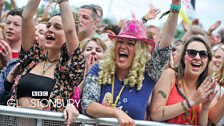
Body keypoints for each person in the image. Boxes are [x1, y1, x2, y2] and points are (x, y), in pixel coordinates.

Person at [81, 0, 180, 125]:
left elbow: (165, 42)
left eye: (130, 44)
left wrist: (175, 7)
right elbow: (87, 104)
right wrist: (116, 112)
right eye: (120, 42)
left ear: (139, 51)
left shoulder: (148, 74)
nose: (123, 47)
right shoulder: (99, 69)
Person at [5, 0, 85, 125]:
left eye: (57, 27)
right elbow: (26, 17)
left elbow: (70, 30)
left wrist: (62, 1)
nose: (49, 30)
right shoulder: (32, 58)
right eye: (48, 26)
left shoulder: (69, 69)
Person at [150, 36, 217, 125]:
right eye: (192, 53)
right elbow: (155, 114)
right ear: (183, 57)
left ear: (208, 60)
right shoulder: (170, 75)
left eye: (203, 54)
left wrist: (205, 107)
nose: (197, 57)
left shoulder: (204, 85)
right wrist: (192, 101)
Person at [208, 43, 224, 125]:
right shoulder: (205, 82)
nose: (220, 61)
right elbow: (212, 118)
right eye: (217, 57)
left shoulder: (220, 87)